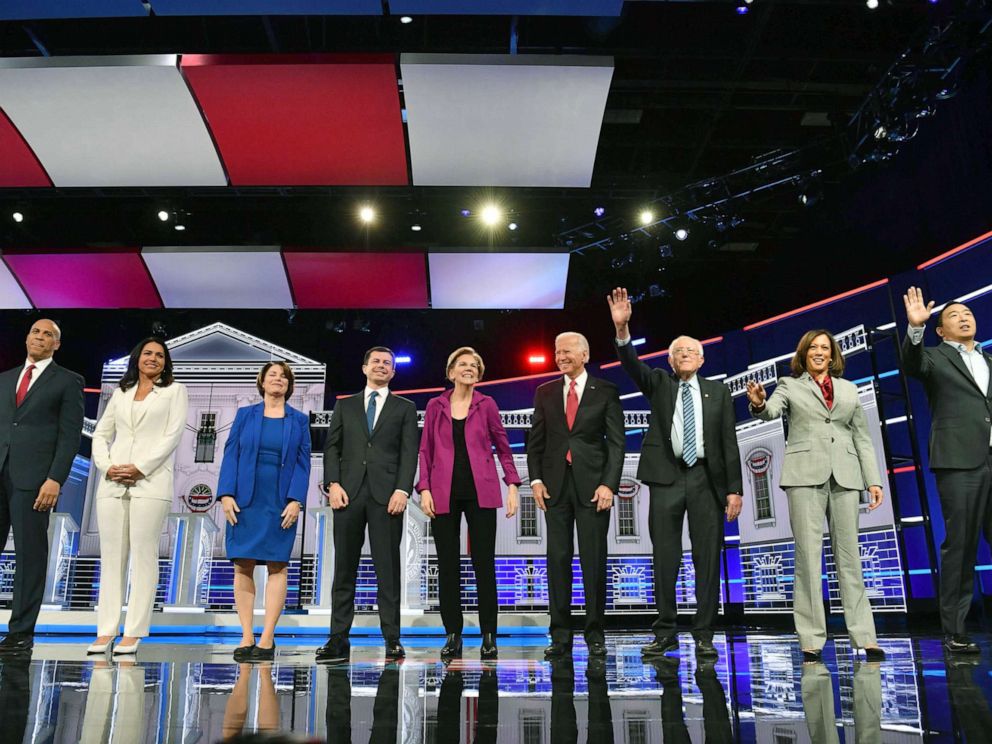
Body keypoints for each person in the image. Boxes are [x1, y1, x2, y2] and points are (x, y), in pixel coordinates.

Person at [608, 287, 743, 659]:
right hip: (666, 478)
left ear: (701, 360)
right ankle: (665, 631)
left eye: (690, 351)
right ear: (670, 361)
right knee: (665, 558)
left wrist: (734, 489)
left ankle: (703, 634)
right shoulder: (659, 383)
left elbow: (728, 443)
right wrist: (623, 330)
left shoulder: (719, 393)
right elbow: (631, 365)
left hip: (706, 480)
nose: (684, 355)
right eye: (677, 351)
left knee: (707, 559)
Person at [746, 329, 886, 662]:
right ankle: (810, 639)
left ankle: (865, 636)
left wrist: (873, 480)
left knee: (850, 558)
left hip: (847, 475)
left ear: (833, 354)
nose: (820, 352)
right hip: (804, 476)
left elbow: (863, 439)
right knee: (808, 558)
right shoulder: (789, 385)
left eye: (825, 347)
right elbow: (771, 411)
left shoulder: (850, 389)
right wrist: (759, 402)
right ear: (804, 353)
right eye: (813, 348)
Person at [901, 287, 992, 654]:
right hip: (959, 460)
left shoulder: (989, 359)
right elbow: (911, 364)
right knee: (962, 544)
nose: (964, 317)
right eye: (954, 315)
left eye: (967, 312)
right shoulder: (934, 357)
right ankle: (955, 630)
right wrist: (915, 329)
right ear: (941, 329)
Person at [316, 347, 419, 662]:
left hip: (387, 497)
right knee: (344, 569)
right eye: (376, 361)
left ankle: (392, 639)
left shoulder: (404, 407)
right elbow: (331, 449)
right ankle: (338, 639)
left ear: (393, 372)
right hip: (347, 494)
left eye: (388, 363)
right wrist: (332, 484)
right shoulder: (344, 407)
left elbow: (409, 453)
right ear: (364, 368)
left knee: (387, 570)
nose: (382, 366)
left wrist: (403, 489)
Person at [418, 347, 521, 660]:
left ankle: (489, 636)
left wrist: (513, 484)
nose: (469, 368)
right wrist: (424, 488)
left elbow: (503, 447)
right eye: (463, 364)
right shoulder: (435, 405)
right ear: (451, 372)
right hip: (443, 491)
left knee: (484, 565)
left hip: (482, 491)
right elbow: (426, 450)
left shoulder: (487, 404)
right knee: (448, 566)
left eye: (474, 365)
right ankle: (453, 635)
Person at [90, 337, 188, 655]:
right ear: (137, 358)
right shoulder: (121, 393)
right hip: (113, 482)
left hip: (152, 481)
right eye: (148, 353)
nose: (153, 358)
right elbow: (102, 434)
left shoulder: (175, 391)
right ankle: (105, 631)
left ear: (166, 362)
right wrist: (107, 467)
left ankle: (133, 632)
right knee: (112, 559)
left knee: (144, 557)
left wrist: (141, 467)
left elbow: (173, 435)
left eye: (160, 355)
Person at [528, 332, 624, 659]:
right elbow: (535, 442)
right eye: (557, 352)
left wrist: (609, 484)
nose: (560, 356)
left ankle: (595, 634)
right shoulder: (545, 392)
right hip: (555, 487)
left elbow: (616, 442)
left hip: (594, 487)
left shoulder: (606, 390)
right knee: (557, 561)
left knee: (593, 560)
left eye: (567, 351)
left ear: (584, 354)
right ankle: (560, 636)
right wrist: (536, 480)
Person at [0, 319, 84, 656]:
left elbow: (70, 436)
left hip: (34, 481)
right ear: (27, 337)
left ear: (56, 345)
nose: (40, 337)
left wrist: (55, 478)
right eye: (36, 331)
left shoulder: (67, 381)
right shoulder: (5, 379)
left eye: (48, 334)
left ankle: (20, 632)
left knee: (30, 556)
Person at [218, 361, 311, 662]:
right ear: (261, 381)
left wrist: (296, 500)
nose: (278, 379)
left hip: (280, 501)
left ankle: (268, 638)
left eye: (284, 376)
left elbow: (302, 462)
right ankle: (246, 636)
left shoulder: (298, 420)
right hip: (245, 500)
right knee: (242, 564)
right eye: (273, 375)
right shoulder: (245, 415)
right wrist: (225, 494)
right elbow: (231, 454)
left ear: (289, 384)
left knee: (277, 565)